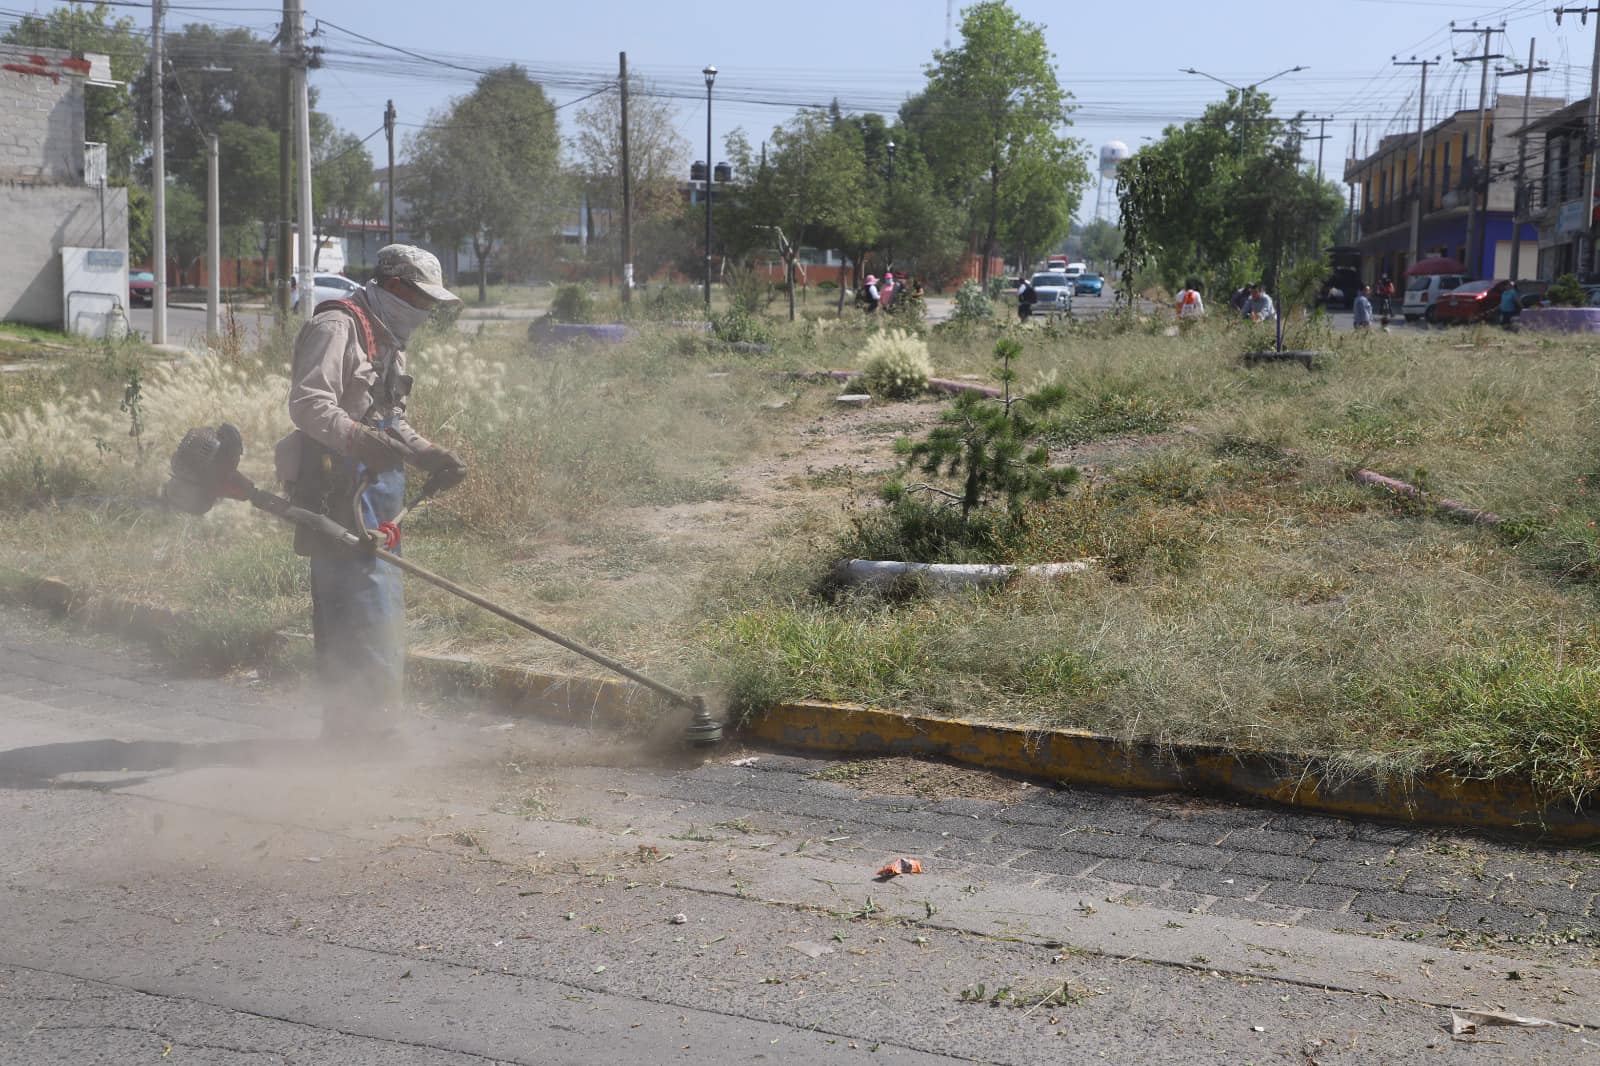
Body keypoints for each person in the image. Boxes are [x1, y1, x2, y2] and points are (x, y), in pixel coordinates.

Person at [274, 244, 466, 744]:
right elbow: (308, 403)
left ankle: (372, 723)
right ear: (395, 286)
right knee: (351, 606)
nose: (425, 312)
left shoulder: (387, 337)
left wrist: (426, 453)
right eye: (421, 299)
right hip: (337, 483)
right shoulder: (336, 326)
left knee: (380, 604)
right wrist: (358, 439)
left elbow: (387, 416)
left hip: (380, 487)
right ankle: (354, 728)